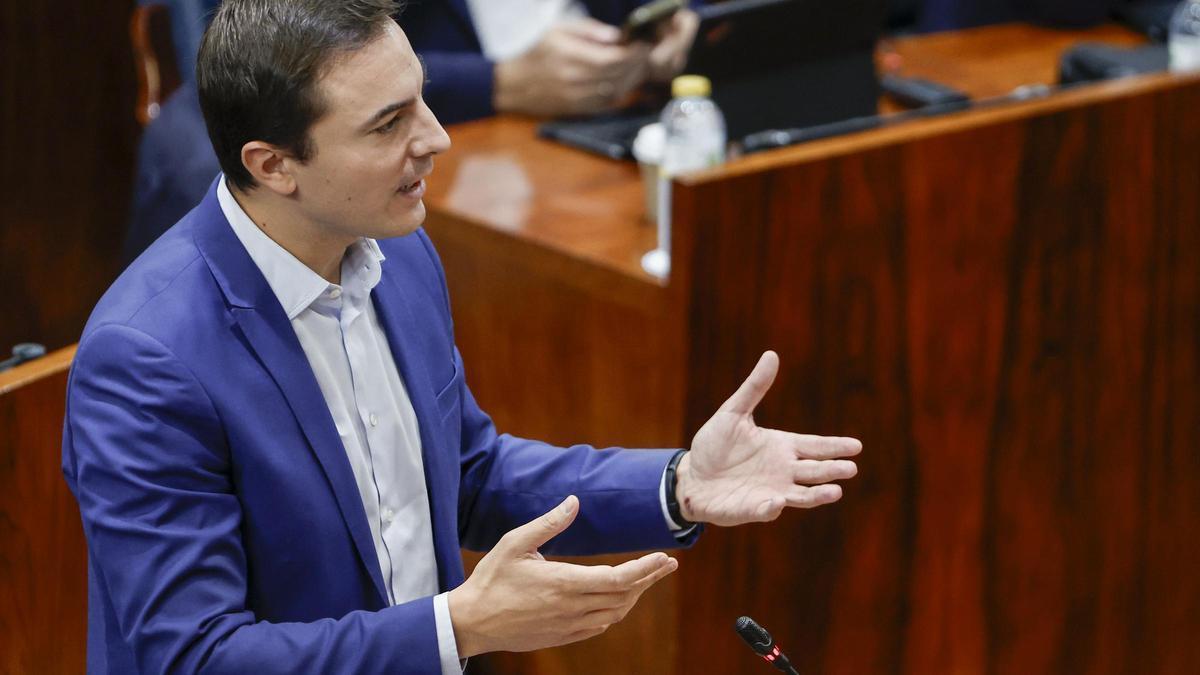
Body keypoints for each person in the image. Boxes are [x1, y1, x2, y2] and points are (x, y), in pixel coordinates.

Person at [66, 1, 862, 672]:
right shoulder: (147, 359)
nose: (436, 138)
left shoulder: (400, 251)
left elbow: (466, 475)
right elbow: (196, 656)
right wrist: (457, 629)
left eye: (422, 99)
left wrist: (677, 482)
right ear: (274, 165)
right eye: (388, 125)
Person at [122, 0, 698, 265]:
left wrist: (670, 17)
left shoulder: (410, 272)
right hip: (436, 114)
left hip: (614, 116)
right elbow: (285, 59)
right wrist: (497, 83)